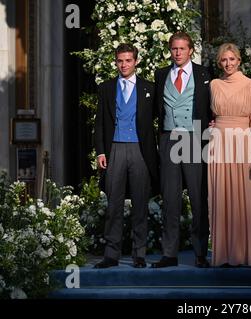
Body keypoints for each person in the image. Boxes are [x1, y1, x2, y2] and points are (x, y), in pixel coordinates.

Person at [93, 43, 159, 269]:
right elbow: (100, 123)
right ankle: (111, 254)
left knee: (140, 203)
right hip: (114, 150)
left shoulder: (149, 88)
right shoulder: (106, 88)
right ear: (116, 62)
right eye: (120, 61)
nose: (124, 64)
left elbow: (163, 117)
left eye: (128, 60)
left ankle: (138, 254)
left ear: (136, 62)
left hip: (141, 150)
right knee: (114, 205)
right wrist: (101, 151)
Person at [151, 32, 211, 268]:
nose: (177, 53)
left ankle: (200, 253)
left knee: (198, 198)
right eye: (174, 49)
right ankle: (169, 253)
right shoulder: (161, 74)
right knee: (171, 199)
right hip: (168, 139)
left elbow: (212, 104)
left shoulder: (204, 74)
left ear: (190, 50)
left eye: (182, 49)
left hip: (194, 138)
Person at [208, 43, 251, 267]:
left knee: (245, 198)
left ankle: (246, 253)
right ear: (219, 63)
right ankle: (223, 255)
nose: (228, 64)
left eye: (231, 59)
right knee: (220, 197)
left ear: (239, 60)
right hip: (218, 144)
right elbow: (210, 114)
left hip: (244, 143)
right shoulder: (213, 85)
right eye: (223, 60)